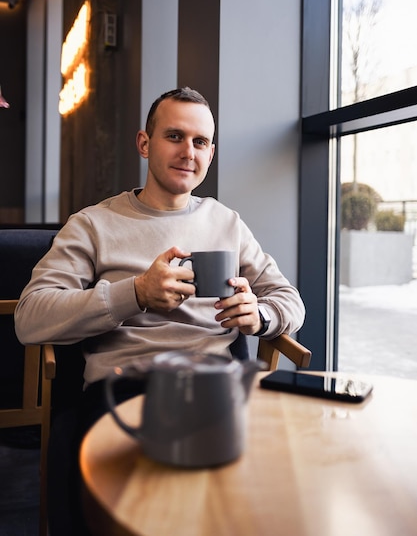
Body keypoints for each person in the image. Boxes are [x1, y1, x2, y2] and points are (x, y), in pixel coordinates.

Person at [15, 86, 305, 533]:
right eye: (174, 136)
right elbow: (31, 317)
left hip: (216, 389)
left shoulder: (226, 222)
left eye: (200, 141)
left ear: (211, 153)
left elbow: (289, 301)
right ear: (145, 144)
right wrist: (135, 294)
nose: (188, 152)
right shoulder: (93, 224)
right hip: (129, 389)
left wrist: (260, 315)